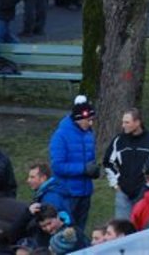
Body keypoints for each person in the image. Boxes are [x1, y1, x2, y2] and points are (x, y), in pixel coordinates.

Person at [102, 108, 149, 221]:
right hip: (123, 193)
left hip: (145, 193)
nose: (123, 125)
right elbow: (108, 163)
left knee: (145, 228)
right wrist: (115, 184)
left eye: (127, 122)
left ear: (137, 122)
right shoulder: (119, 140)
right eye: (123, 122)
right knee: (122, 229)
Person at [47, 95, 98, 237]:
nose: (91, 123)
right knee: (66, 232)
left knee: (80, 232)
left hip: (85, 193)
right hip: (68, 194)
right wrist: (83, 169)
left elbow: (90, 159)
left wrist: (93, 170)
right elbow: (57, 166)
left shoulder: (88, 134)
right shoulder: (61, 136)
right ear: (79, 118)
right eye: (89, 120)